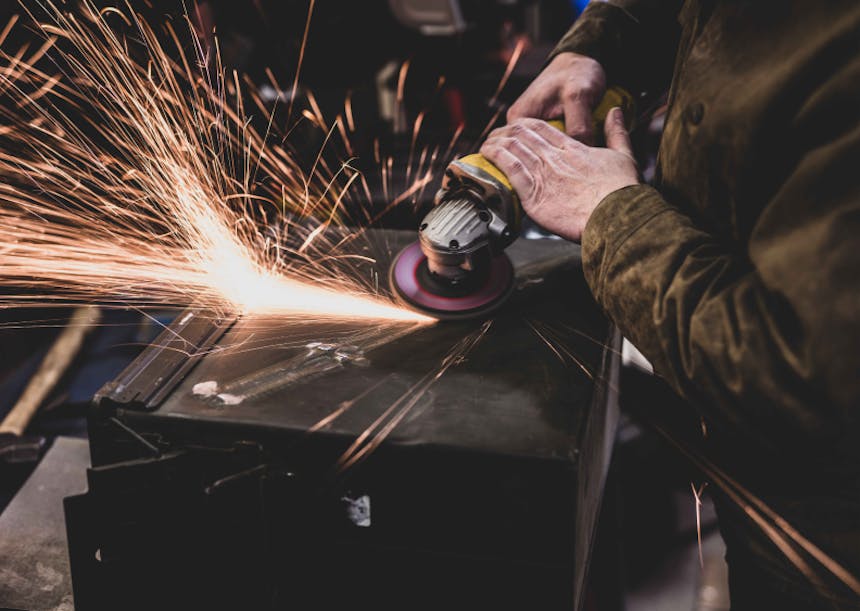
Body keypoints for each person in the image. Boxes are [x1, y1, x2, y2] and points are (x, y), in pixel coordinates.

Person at [480, 1, 860, 608]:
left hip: (827, 550)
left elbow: (798, 374)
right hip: (749, 478)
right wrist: (601, 44)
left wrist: (614, 217)